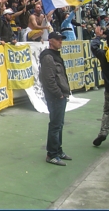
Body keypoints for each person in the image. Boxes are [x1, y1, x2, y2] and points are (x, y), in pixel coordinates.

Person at [39, 31, 72, 166]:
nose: (61, 41)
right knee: (55, 125)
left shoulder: (55, 56)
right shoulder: (48, 57)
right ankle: (52, 154)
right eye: (58, 39)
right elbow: (49, 79)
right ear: (50, 41)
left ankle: (58, 150)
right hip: (55, 96)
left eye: (61, 39)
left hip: (60, 95)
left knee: (59, 124)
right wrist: (58, 94)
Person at [90, 26, 109, 147]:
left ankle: (103, 131)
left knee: (107, 111)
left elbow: (94, 47)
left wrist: (98, 36)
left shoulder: (104, 55)